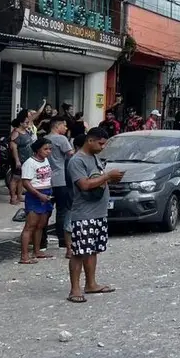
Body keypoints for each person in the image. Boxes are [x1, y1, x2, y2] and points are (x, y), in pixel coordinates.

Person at [66, 128, 124, 303]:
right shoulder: (77, 161)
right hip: (83, 214)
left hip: (98, 212)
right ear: (90, 141)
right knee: (78, 251)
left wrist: (110, 179)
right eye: (100, 143)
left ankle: (91, 284)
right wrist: (107, 176)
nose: (102, 146)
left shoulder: (94, 158)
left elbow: (97, 180)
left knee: (93, 249)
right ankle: (74, 289)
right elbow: (84, 184)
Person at [19, 137, 55, 264]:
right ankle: (24, 256)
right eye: (45, 149)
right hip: (35, 195)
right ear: (37, 149)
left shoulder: (45, 160)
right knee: (30, 226)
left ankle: (37, 250)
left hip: (47, 193)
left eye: (50, 149)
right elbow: (26, 182)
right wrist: (38, 195)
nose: (48, 151)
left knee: (41, 225)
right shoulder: (30, 163)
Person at [46, 117, 75, 257]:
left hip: (46, 180)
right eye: (64, 125)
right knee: (62, 211)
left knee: (45, 212)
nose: (66, 128)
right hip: (61, 179)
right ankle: (63, 240)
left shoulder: (45, 139)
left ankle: (41, 241)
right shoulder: (62, 139)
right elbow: (71, 155)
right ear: (57, 126)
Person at [9, 110, 37, 205]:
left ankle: (19, 195)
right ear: (21, 123)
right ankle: (13, 197)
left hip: (27, 159)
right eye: (26, 122)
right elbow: (14, 148)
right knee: (15, 178)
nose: (27, 124)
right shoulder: (16, 132)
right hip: (19, 159)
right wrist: (17, 160)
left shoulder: (26, 131)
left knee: (22, 178)